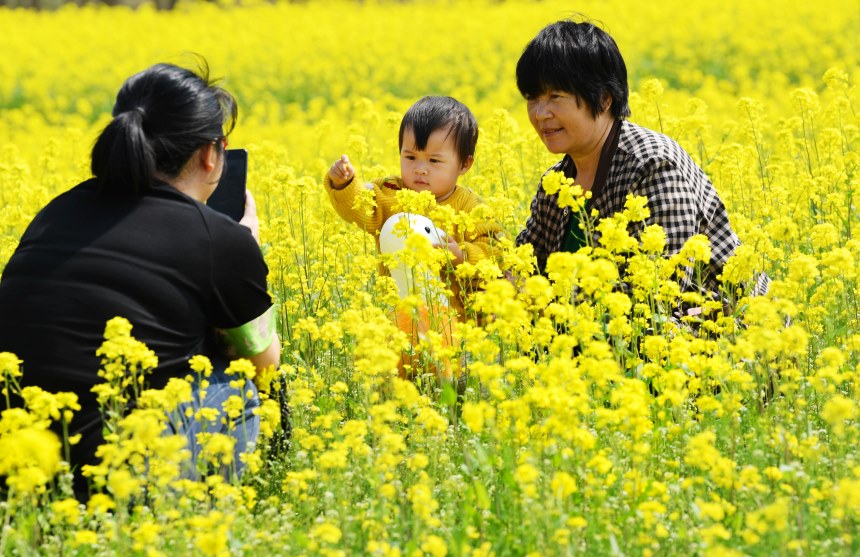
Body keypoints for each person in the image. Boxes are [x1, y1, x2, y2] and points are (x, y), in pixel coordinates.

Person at [0, 61, 280, 499]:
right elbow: (266, 361)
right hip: (116, 480)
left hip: (17, 462)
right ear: (212, 153)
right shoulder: (218, 237)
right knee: (236, 382)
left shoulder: (55, 212)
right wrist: (247, 248)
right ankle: (201, 512)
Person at [515, 20, 767, 299]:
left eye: (555, 96)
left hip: (727, 331)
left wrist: (544, 300)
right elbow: (523, 265)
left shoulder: (652, 165)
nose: (540, 113)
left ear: (604, 99)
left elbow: (660, 290)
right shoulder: (557, 183)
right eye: (532, 98)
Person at [325, 96, 501, 377]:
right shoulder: (391, 195)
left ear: (464, 164)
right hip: (400, 322)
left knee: (451, 388)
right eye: (410, 157)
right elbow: (361, 207)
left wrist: (462, 255)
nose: (420, 169)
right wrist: (345, 183)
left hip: (454, 328)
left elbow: (494, 250)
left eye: (434, 160)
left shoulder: (471, 207)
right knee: (390, 379)